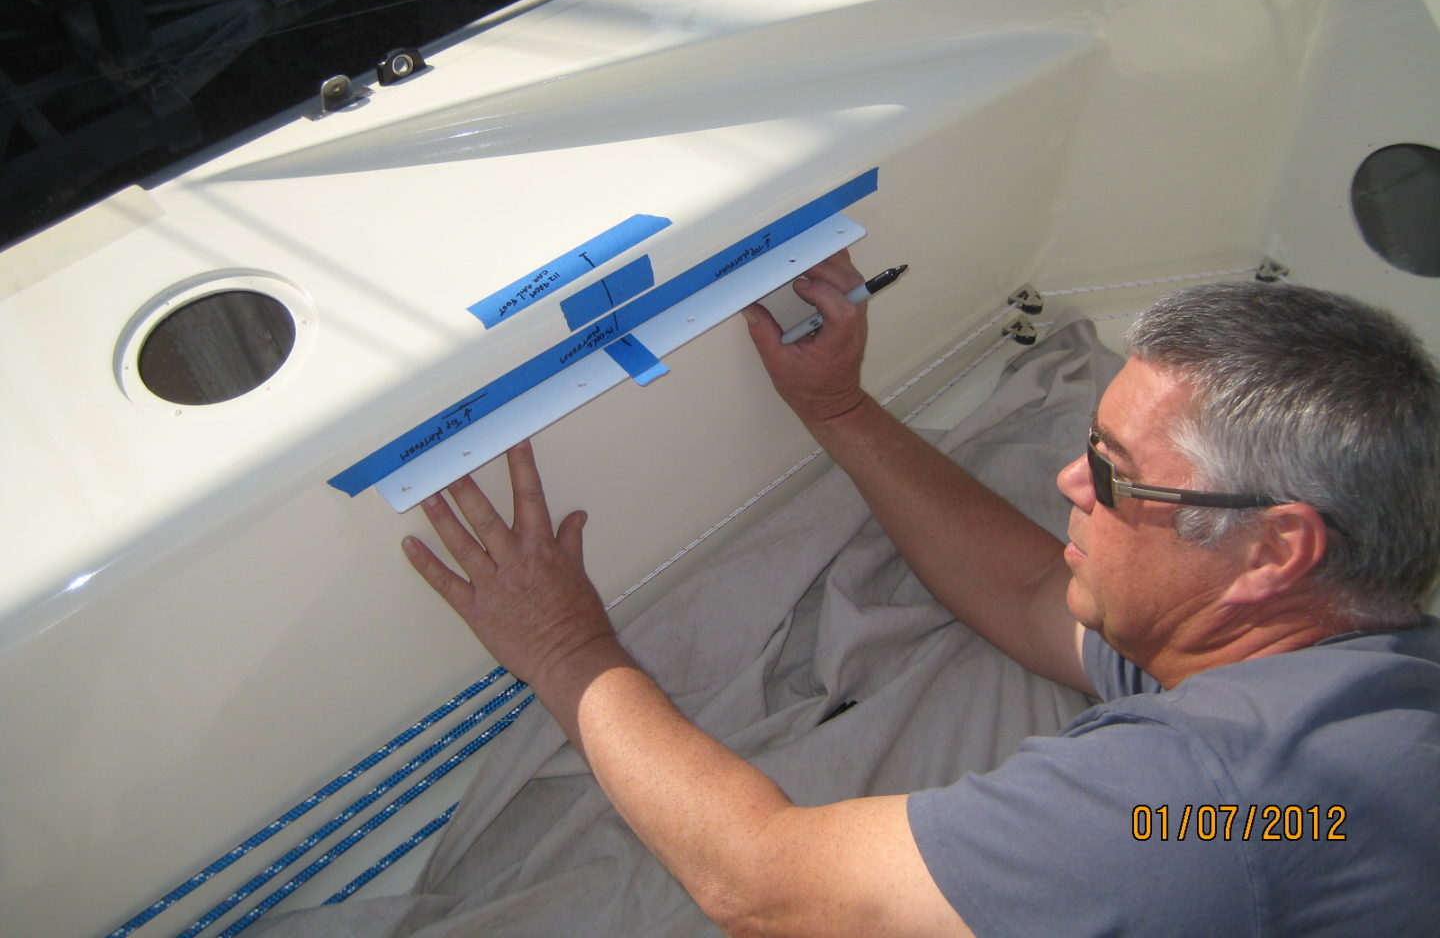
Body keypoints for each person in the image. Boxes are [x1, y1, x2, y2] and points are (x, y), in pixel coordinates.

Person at [401, 251, 1440, 937]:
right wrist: (841, 408)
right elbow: (1036, 590)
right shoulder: (1351, 662)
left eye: (1116, 472)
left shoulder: (1194, 809)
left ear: (1274, 550)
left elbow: (763, 884)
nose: (1071, 485)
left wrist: (566, 647)